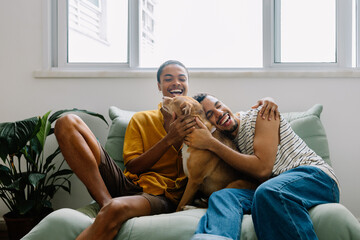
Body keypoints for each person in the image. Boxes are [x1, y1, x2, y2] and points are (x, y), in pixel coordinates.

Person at [53, 60, 279, 240]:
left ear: (188, 85)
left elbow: (228, 119)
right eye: (168, 79)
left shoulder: (198, 121)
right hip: (129, 182)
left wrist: (268, 99)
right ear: (159, 85)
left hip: (160, 195)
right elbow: (133, 166)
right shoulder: (141, 119)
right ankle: (104, 201)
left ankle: (111, 207)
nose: (175, 83)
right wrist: (170, 139)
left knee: (116, 210)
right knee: (67, 122)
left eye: (182, 78)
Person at [186, 93, 340, 240]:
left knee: (268, 191)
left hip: (316, 178)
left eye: (219, 105)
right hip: (273, 190)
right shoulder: (226, 141)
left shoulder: (261, 114)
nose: (219, 113)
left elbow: (262, 170)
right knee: (223, 196)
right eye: (210, 114)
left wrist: (212, 144)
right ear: (207, 124)